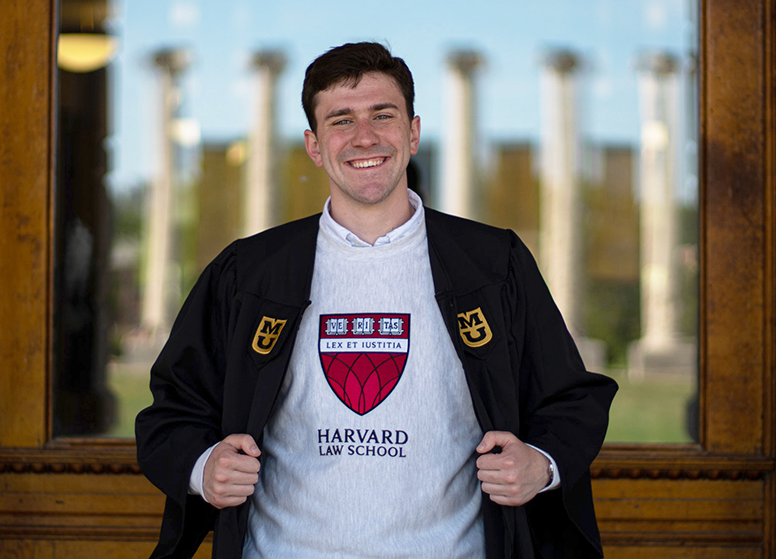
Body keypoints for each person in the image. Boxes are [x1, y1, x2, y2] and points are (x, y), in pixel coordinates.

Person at [135, 42, 617, 559]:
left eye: (382, 116)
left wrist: (540, 464)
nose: (364, 136)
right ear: (314, 146)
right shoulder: (251, 272)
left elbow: (570, 399)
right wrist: (202, 467)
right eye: (341, 120)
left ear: (412, 133)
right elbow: (173, 411)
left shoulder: (492, 265)